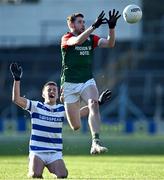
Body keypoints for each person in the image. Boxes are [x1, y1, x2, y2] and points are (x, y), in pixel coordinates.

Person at [10, 63, 111, 178]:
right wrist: (17, 79)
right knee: (35, 174)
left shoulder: (61, 109)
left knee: (63, 175)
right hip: (38, 151)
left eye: (54, 90)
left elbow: (81, 113)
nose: (52, 91)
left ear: (58, 94)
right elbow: (16, 99)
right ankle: (33, 167)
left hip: (54, 153)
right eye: (49, 90)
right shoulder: (36, 106)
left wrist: (98, 102)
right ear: (43, 94)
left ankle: (49, 167)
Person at [60, 10, 120, 154]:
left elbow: (110, 43)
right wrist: (93, 26)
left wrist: (111, 28)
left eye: (84, 22)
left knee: (93, 104)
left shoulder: (91, 39)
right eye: (79, 22)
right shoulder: (66, 38)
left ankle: (95, 142)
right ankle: (97, 102)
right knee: (75, 126)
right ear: (71, 24)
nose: (83, 24)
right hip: (69, 84)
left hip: (87, 80)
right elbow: (77, 41)